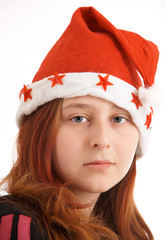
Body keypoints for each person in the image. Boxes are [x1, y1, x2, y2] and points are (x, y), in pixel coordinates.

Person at [0, 6, 161, 240]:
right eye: (79, 118)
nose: (101, 140)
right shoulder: (16, 224)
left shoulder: (128, 233)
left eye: (118, 119)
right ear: (42, 132)